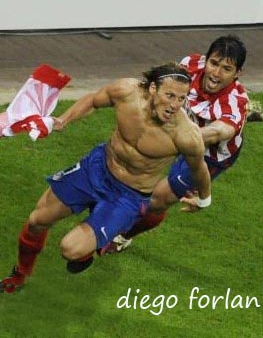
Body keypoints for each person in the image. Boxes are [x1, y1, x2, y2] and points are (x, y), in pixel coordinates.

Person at [0, 63, 211, 293]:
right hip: (96, 168)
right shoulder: (127, 92)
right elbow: (93, 100)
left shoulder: (186, 135)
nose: (174, 105)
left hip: (127, 197)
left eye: (181, 98)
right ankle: (21, 273)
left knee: (70, 249)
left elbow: (199, 168)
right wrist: (63, 121)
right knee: (37, 221)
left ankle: (90, 248)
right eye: (169, 95)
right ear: (153, 88)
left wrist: (204, 199)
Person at [105, 34, 249, 252]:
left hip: (210, 154)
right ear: (206, 59)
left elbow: (216, 133)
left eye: (226, 69)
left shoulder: (234, 103)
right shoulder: (189, 65)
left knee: (157, 200)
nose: (216, 73)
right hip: (181, 131)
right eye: (214, 63)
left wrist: (173, 139)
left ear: (238, 73)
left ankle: (123, 236)